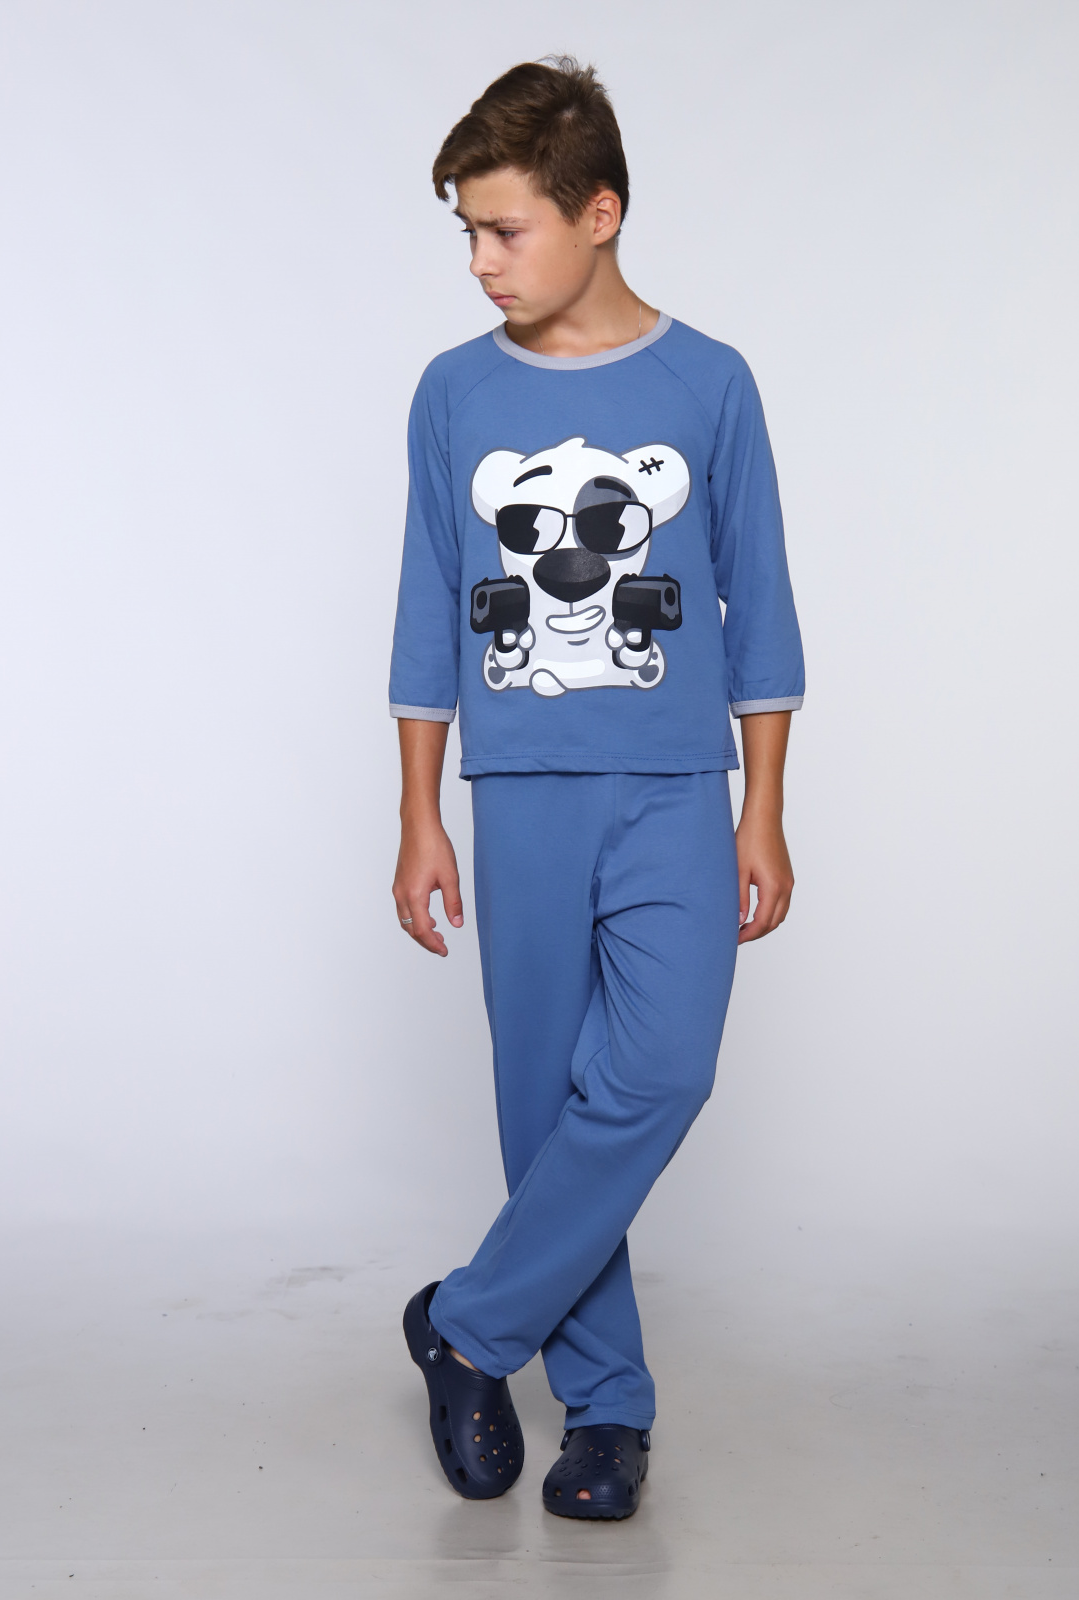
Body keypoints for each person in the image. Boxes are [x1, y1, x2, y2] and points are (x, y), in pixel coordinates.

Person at [390, 57, 804, 1520]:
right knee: (542, 1101)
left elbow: (760, 608)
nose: (480, 260)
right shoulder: (453, 393)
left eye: (504, 228)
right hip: (518, 790)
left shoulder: (709, 383)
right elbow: (428, 612)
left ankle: (468, 1325)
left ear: (599, 214)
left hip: (677, 784)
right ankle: (608, 1411)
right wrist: (419, 814)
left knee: (659, 1074)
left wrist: (762, 808)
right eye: (468, 232)